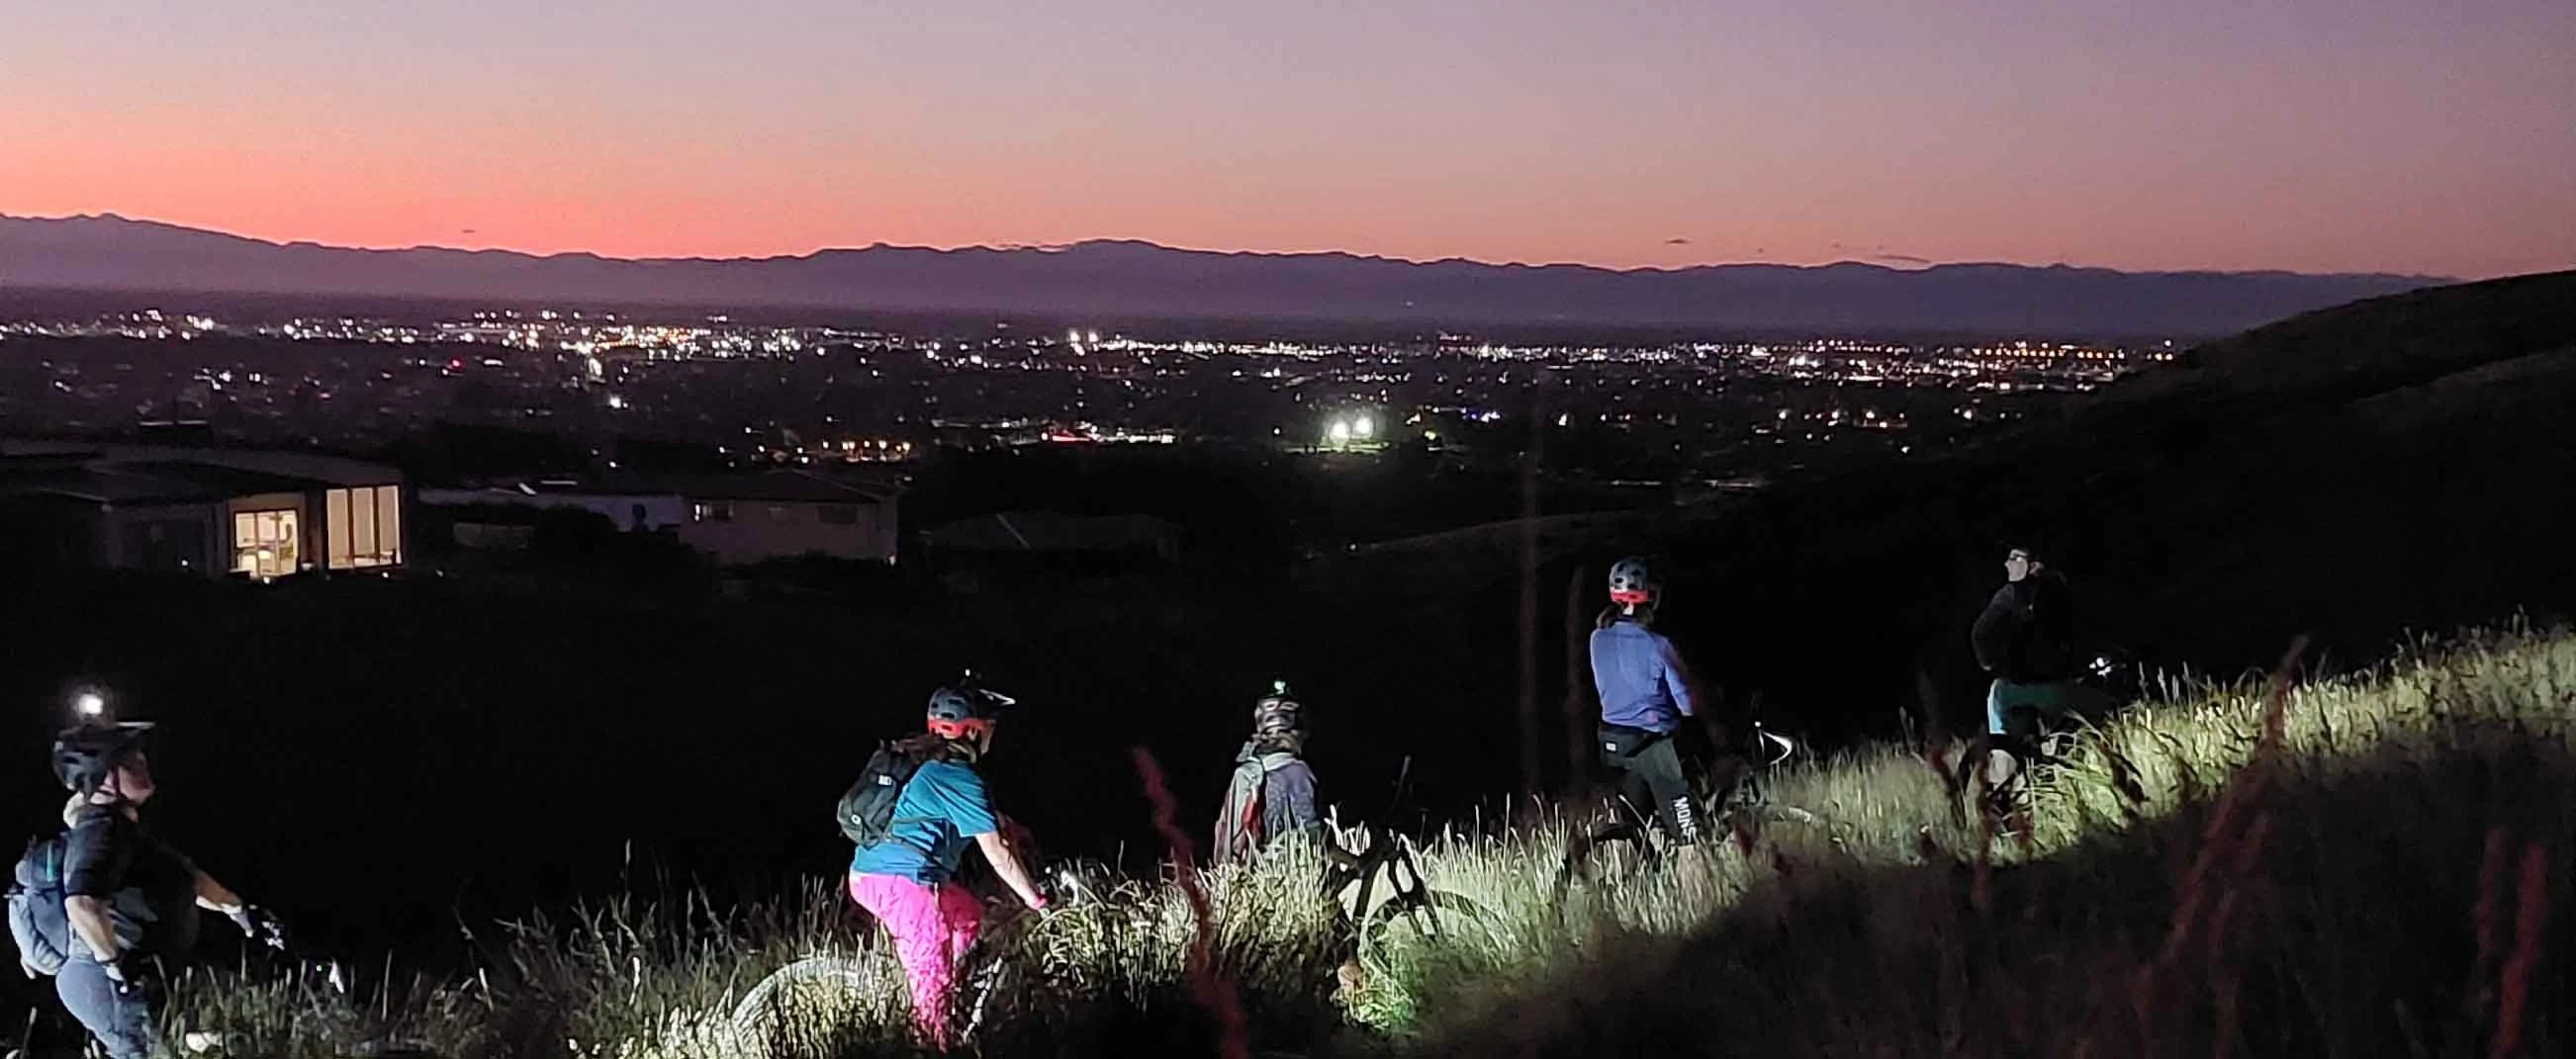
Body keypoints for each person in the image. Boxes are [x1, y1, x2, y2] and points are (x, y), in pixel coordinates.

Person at [47, 720, 285, 1059]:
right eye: (129, 763)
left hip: (146, 979)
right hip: (109, 986)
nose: (143, 764)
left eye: (140, 758)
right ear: (102, 779)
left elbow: (190, 880)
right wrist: (116, 966)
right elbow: (83, 902)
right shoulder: (100, 829)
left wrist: (239, 910)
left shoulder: (128, 831)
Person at [846, 678, 1049, 1050]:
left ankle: (950, 999)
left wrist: (1014, 832)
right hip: (898, 882)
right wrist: (1035, 900)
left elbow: (992, 825)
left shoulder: (932, 764)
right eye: (989, 728)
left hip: (878, 876)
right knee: (930, 969)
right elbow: (997, 851)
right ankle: (933, 1043)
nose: (991, 736)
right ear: (972, 730)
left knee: (967, 915)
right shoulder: (959, 777)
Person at [1588, 557, 1704, 848]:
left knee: (1636, 824)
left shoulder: (1596, 638)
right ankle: (1696, 877)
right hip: (1652, 744)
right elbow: (1688, 706)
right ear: (1647, 596)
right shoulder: (1658, 645)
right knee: (1687, 832)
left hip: (1612, 741)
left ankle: (1638, 870)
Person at [1970, 545, 2104, 746]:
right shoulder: (2061, 588)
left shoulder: (2008, 594)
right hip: (2061, 687)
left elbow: (1980, 633)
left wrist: (1989, 664)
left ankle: (2002, 755)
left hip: (2015, 688)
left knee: (1997, 705)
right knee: (2100, 714)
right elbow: (2084, 629)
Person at [1213, 680, 1324, 862]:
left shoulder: (1245, 771)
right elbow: (1315, 839)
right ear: (1297, 730)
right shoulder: (1296, 773)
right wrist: (1356, 862)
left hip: (1244, 883)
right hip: (1288, 881)